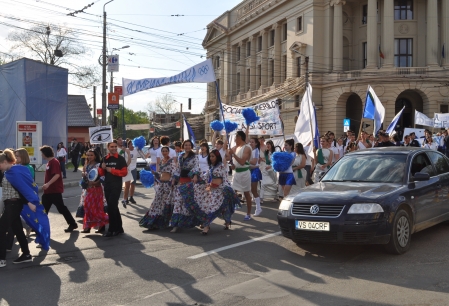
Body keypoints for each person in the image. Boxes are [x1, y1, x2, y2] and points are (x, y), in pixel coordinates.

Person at [181, 149, 236, 234]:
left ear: (217, 157)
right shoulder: (211, 167)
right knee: (208, 206)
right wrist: (196, 175)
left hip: (220, 191)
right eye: (210, 156)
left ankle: (209, 226)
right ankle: (208, 224)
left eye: (213, 156)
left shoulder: (220, 166)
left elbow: (221, 180)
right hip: (213, 190)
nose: (211, 158)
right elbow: (205, 177)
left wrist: (210, 185)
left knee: (213, 208)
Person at [0, 150, 36, 267]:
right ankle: (26, 254)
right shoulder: (8, 172)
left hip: (14, 204)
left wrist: (29, 202)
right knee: (18, 230)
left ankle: (2, 259)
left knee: (1, 229)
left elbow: (22, 188)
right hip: (10, 204)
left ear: (5, 161)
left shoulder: (14, 172)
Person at [40, 145, 78, 232]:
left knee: (61, 208)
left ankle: (72, 224)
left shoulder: (54, 162)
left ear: (45, 153)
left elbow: (57, 174)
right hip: (48, 191)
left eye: (42, 153)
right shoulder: (49, 162)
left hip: (54, 191)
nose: (41, 155)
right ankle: (39, 226)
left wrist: (48, 184)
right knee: (43, 210)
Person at [139, 146, 175, 230]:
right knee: (157, 203)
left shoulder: (171, 161)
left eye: (166, 151)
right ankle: (153, 222)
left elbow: (174, 173)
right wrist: (155, 173)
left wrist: (172, 183)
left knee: (167, 204)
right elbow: (160, 175)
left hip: (168, 185)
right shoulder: (162, 161)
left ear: (168, 152)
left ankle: (169, 222)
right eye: (163, 151)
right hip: (161, 185)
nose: (164, 152)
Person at [98, 140, 128, 237]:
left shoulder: (120, 159)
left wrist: (112, 170)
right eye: (112, 147)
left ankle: (111, 229)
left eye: (115, 146)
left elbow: (124, 173)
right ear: (108, 148)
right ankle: (119, 228)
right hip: (107, 185)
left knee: (111, 207)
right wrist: (102, 168)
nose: (114, 148)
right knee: (114, 207)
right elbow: (101, 173)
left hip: (117, 185)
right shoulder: (104, 159)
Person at [170, 139, 201, 232]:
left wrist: (195, 176)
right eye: (185, 145)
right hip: (181, 182)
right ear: (183, 146)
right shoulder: (180, 156)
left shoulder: (195, 157)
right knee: (178, 202)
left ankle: (199, 221)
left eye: (189, 145)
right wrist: (174, 179)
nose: (187, 147)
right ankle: (175, 225)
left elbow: (196, 167)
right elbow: (178, 169)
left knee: (189, 203)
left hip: (190, 182)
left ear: (191, 146)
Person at [80, 149, 109, 233]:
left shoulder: (99, 165)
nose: (89, 157)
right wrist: (83, 174)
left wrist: (95, 183)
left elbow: (102, 177)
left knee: (96, 208)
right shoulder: (86, 164)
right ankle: (87, 227)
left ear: (95, 156)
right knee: (87, 207)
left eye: (91, 155)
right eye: (88, 155)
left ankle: (103, 223)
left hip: (96, 189)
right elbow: (85, 176)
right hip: (88, 189)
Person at [228, 130, 253, 221]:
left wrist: (233, 154)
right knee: (232, 192)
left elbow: (242, 162)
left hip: (244, 173)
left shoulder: (246, 147)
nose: (234, 140)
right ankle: (233, 208)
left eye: (235, 138)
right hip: (236, 173)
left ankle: (248, 213)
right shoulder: (237, 147)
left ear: (239, 138)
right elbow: (229, 157)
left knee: (246, 194)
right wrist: (233, 165)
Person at [248, 134, 262, 216]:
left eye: (252, 142)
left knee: (254, 190)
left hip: (255, 171)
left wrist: (245, 159)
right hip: (249, 170)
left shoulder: (256, 150)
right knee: (249, 190)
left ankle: (258, 208)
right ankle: (257, 207)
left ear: (256, 143)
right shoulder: (250, 150)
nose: (251, 143)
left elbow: (253, 162)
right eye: (250, 142)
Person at [123, 140, 138, 207]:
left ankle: (131, 197)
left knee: (133, 184)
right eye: (131, 144)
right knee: (127, 185)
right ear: (128, 145)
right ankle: (125, 199)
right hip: (127, 169)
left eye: (133, 144)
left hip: (133, 169)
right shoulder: (125, 150)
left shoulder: (136, 150)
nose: (132, 146)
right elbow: (119, 154)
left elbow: (145, 156)